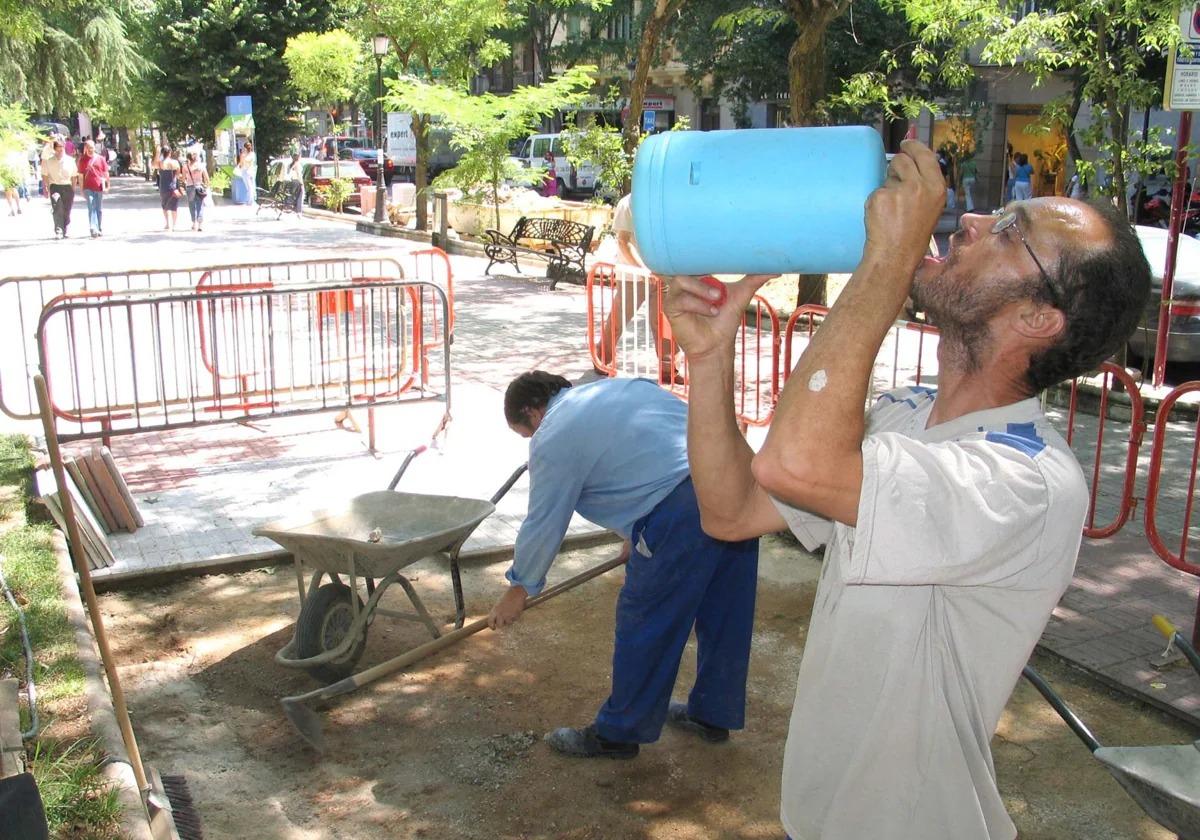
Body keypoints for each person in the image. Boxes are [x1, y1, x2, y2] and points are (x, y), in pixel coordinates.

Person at [662, 140, 1151, 839]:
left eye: (1013, 232)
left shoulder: (1028, 481)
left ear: (1039, 320)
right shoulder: (905, 413)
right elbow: (733, 509)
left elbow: (795, 464)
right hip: (821, 816)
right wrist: (709, 359)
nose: (974, 222)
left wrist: (886, 263)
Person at [488, 372, 759, 759]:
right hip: (734, 484)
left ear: (532, 412)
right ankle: (713, 714)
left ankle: (618, 733)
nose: (532, 442)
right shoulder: (622, 387)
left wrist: (520, 587)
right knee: (726, 612)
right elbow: (645, 454)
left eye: (526, 434)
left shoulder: (553, 433)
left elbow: (544, 519)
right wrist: (636, 535)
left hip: (681, 512)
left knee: (646, 620)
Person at [594, 194, 680, 383]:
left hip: (661, 273)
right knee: (619, 319)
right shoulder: (628, 204)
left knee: (663, 322)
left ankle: (668, 369)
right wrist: (643, 271)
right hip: (633, 275)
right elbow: (622, 242)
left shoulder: (660, 201)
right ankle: (602, 359)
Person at [41, 138, 78, 239]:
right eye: (58, 148)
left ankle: (65, 227)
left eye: (62, 148)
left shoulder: (70, 161)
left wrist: (73, 188)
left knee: (67, 209)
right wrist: (45, 187)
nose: (60, 150)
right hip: (55, 186)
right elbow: (44, 174)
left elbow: (74, 176)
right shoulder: (49, 161)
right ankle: (59, 230)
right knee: (57, 207)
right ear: (55, 149)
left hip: (67, 186)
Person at [77, 139, 110, 238]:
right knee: (91, 207)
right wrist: (81, 189)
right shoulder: (82, 160)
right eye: (88, 148)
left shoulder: (100, 159)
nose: (90, 150)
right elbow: (81, 176)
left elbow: (105, 173)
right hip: (88, 187)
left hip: (99, 186)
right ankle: (93, 228)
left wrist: (108, 185)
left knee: (98, 208)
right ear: (85, 149)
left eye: (92, 147)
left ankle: (99, 227)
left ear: (94, 148)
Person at [181, 151, 209, 232]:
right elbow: (206, 178)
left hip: (190, 187)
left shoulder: (185, 167)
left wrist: (184, 183)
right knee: (200, 205)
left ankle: (194, 223)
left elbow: (183, 179)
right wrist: (206, 185)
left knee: (192, 206)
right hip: (199, 187)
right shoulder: (201, 166)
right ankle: (200, 225)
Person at [156, 145, 182, 231]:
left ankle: (167, 223)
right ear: (170, 153)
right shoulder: (175, 162)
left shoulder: (160, 163)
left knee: (164, 206)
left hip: (163, 187)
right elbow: (178, 175)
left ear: (162, 153)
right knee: (174, 207)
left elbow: (154, 165)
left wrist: (157, 152)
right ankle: (174, 225)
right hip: (173, 187)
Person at [237, 140, 257, 204]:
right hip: (250, 171)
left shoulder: (244, 155)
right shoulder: (252, 154)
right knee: (251, 186)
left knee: (248, 186)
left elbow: (241, 163)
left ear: (244, 148)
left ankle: (250, 200)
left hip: (246, 172)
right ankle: (251, 200)